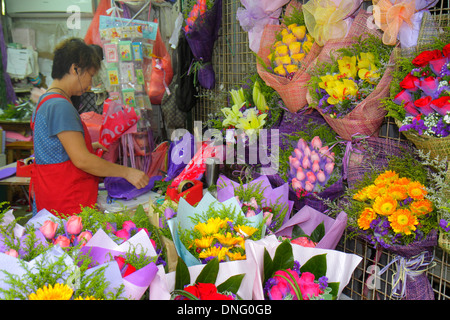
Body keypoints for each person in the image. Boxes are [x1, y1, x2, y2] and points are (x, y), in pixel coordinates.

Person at [31, 38, 149, 217]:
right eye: (90, 75)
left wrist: (88, 146)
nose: (90, 84)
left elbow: (53, 149)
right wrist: (127, 172)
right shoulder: (60, 105)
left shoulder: (45, 100)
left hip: (50, 194)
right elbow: (82, 160)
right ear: (75, 69)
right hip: (66, 200)